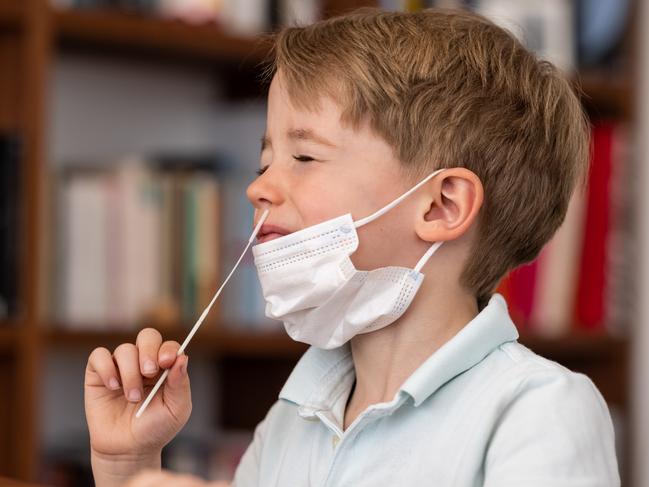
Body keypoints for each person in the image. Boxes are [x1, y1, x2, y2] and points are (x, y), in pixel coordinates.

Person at [84, 7, 620, 487]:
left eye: (305, 158)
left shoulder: (538, 409)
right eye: (264, 161)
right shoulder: (291, 420)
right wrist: (128, 465)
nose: (257, 187)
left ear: (441, 206)